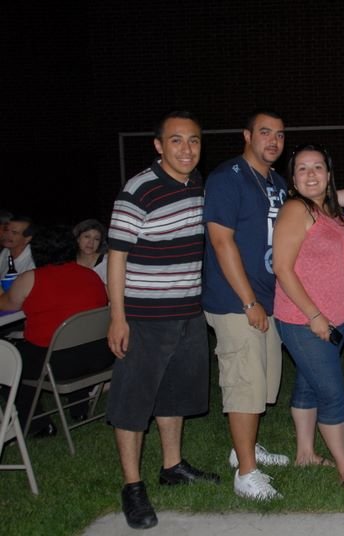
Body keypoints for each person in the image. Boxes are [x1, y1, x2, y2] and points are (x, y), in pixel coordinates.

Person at [106, 110, 219, 530]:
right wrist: (118, 318)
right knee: (133, 402)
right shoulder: (138, 190)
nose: (187, 149)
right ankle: (132, 486)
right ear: (158, 145)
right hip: (145, 316)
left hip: (187, 312)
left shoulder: (196, 184)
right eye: (176, 140)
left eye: (193, 140)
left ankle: (172, 466)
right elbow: (116, 257)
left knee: (175, 395)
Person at [203, 109, 290, 502]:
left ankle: (245, 449)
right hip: (236, 301)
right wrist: (249, 300)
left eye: (280, 134)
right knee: (244, 384)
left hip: (266, 299)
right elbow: (222, 241)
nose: (273, 141)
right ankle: (246, 474)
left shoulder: (276, 182)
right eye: (265, 132)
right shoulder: (227, 178)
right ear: (247, 135)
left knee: (262, 384)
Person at [273, 143, 344, 488]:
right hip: (303, 319)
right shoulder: (296, 209)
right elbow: (282, 268)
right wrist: (314, 315)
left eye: (318, 168)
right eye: (302, 168)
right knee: (332, 392)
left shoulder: (329, 211)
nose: (311, 174)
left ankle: (305, 454)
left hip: (335, 318)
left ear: (328, 174)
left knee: (308, 385)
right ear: (293, 179)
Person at [0, 225, 113, 436]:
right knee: (74, 342)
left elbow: (7, 304)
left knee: (9, 361)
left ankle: (38, 426)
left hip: (58, 363)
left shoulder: (31, 278)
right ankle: (78, 409)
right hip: (99, 355)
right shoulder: (91, 276)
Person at [73, 219, 109, 285]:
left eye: (96, 239)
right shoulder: (67, 261)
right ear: (78, 239)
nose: (91, 242)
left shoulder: (107, 262)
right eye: (87, 237)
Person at [0, 216, 36, 280]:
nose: (7, 235)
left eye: (14, 233)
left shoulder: (31, 264)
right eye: (6, 230)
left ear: (27, 239)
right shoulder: (6, 251)